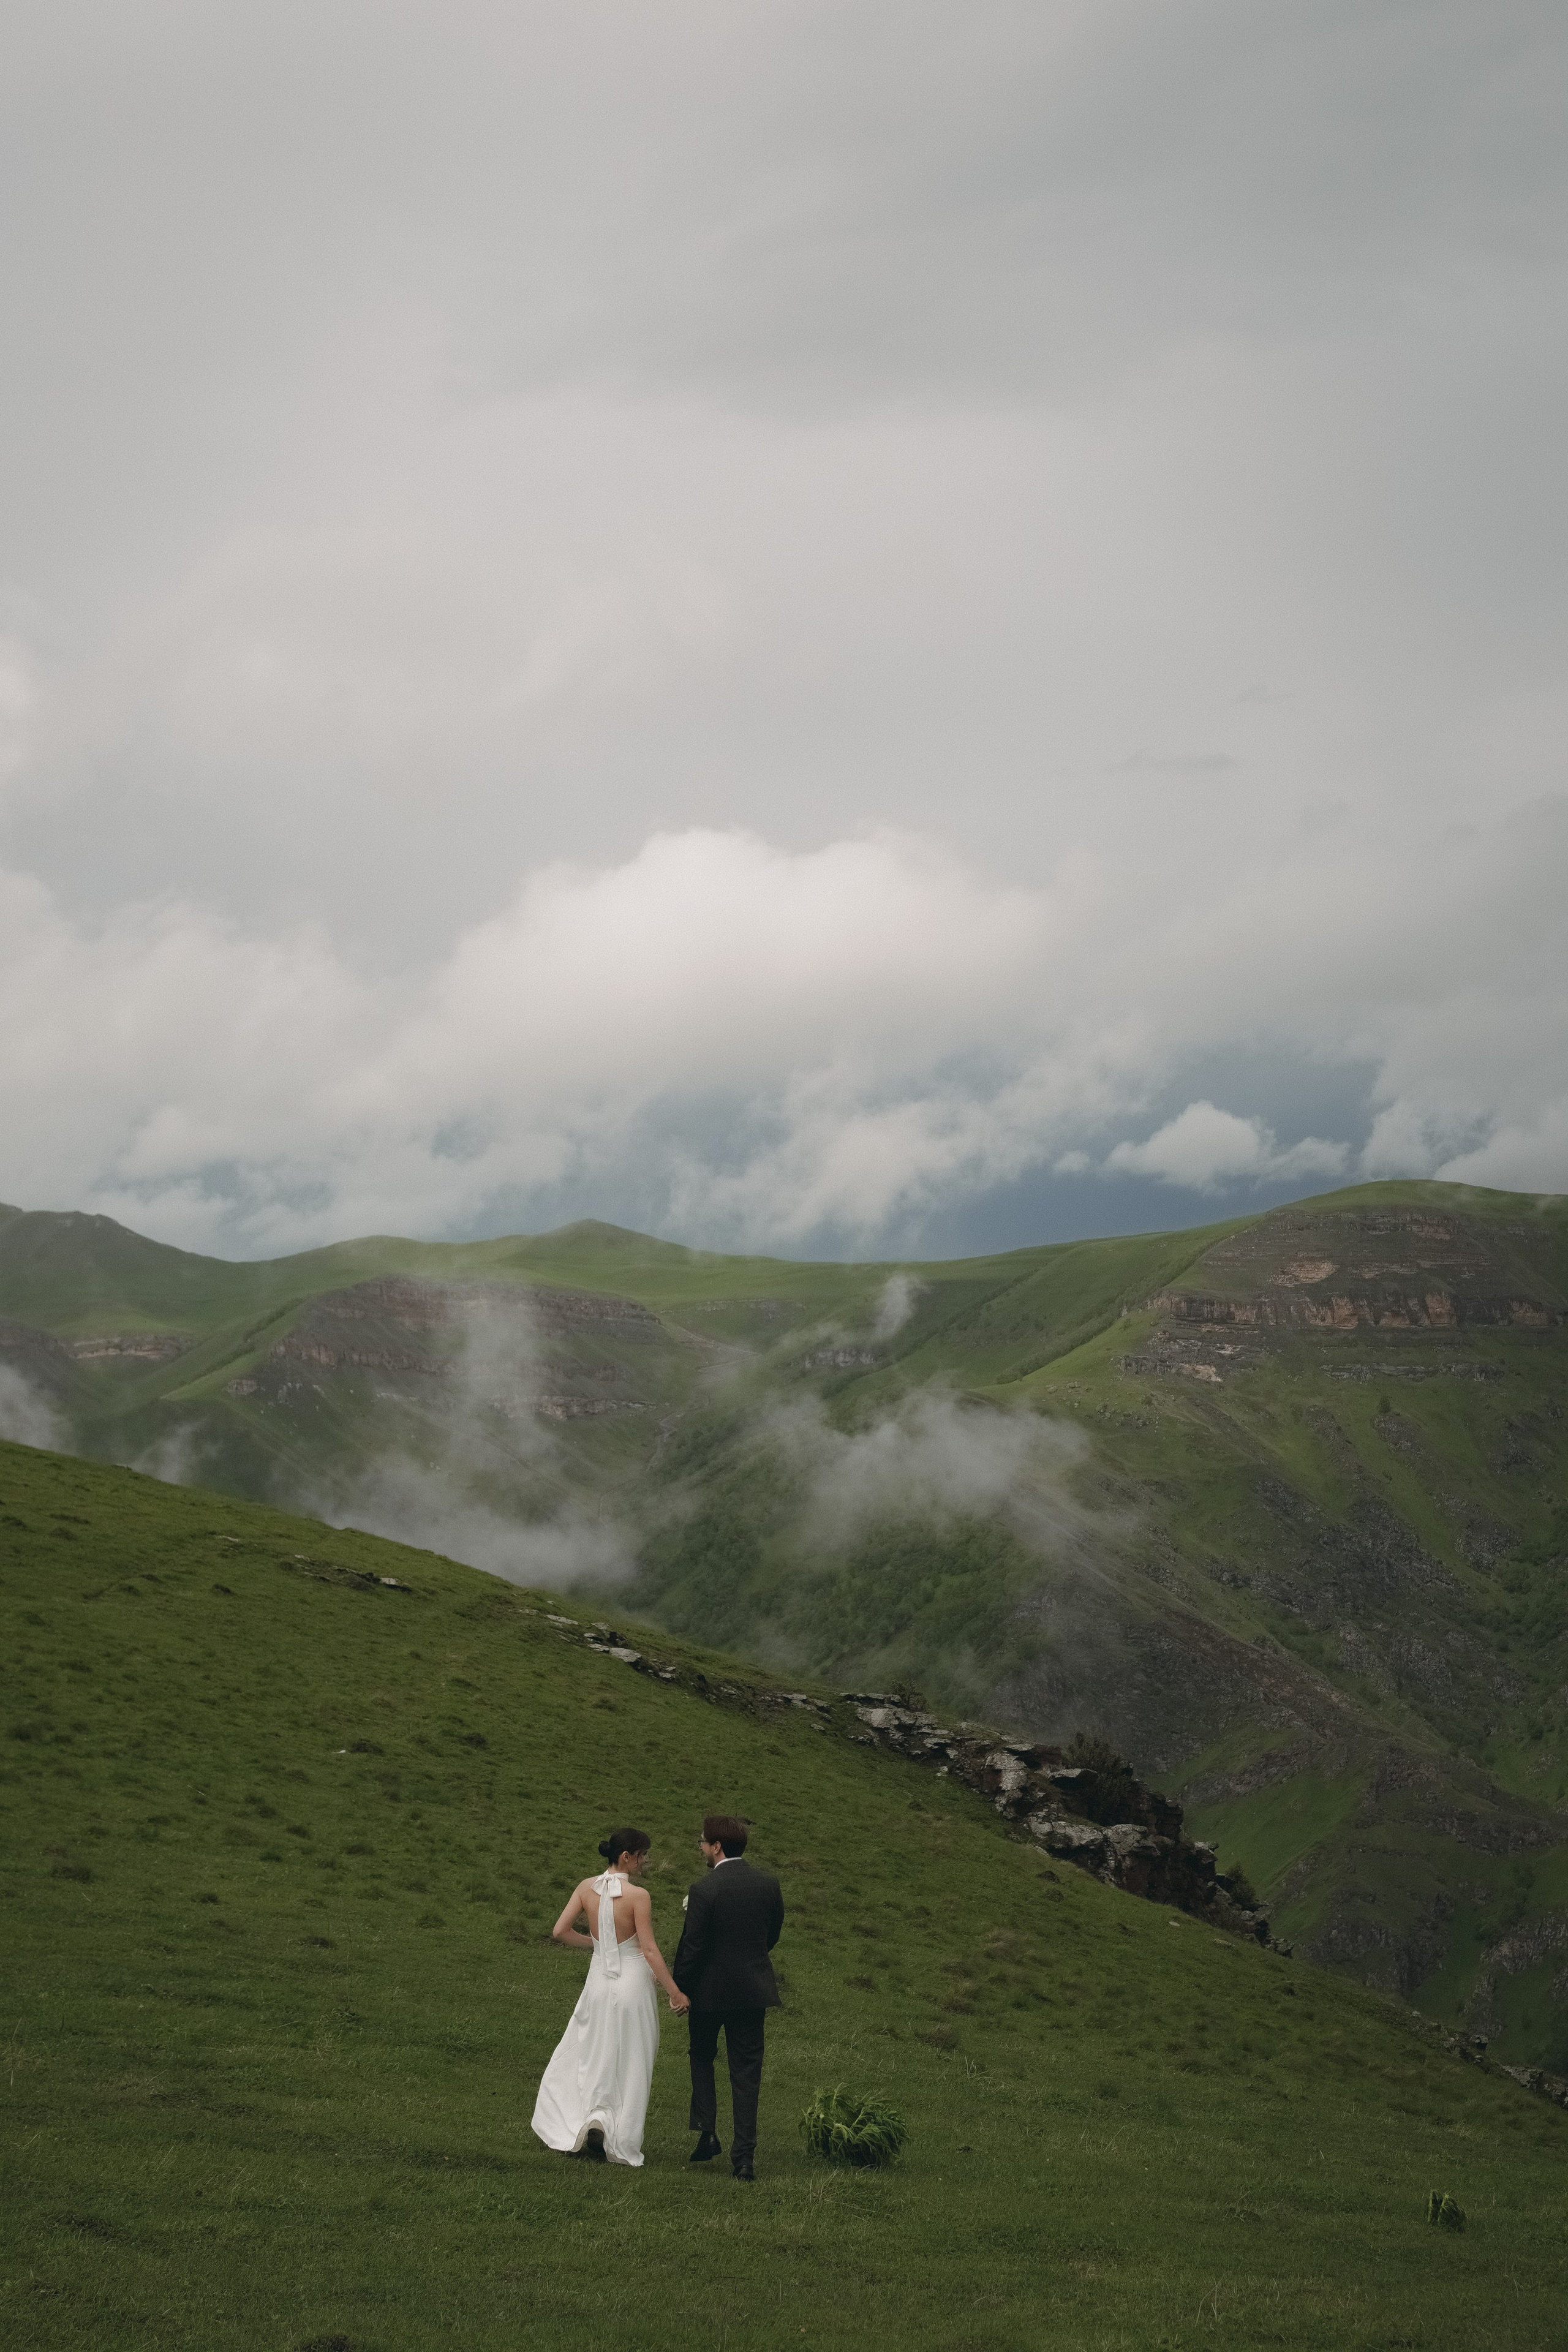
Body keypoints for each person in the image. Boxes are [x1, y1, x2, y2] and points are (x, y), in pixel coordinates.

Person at [532, 1825, 689, 2168]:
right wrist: (675, 1992)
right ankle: (616, 2136)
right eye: (643, 1856)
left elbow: (560, 1931)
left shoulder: (586, 1887)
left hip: (598, 1982)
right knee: (632, 2060)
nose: (646, 1862)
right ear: (626, 1857)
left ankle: (588, 2121)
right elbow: (648, 1949)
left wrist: (599, 1945)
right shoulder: (639, 1896)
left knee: (593, 2052)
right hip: (631, 1984)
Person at [673, 1813, 785, 2182]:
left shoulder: (706, 1889)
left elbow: (693, 1947)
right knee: (747, 2072)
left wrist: (680, 1988)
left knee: (702, 2056)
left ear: (717, 1846)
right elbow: (771, 1936)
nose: (701, 1848)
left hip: (708, 1993)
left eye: (703, 1842)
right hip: (753, 1992)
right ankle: (745, 2158)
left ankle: (707, 2132)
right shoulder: (768, 1885)